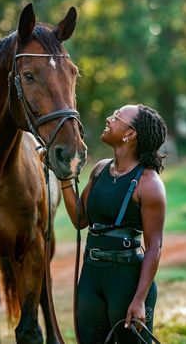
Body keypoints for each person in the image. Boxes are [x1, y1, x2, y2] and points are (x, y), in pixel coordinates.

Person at [60, 104, 167, 344]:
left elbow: (154, 247)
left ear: (130, 134)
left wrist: (139, 300)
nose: (109, 118)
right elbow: (81, 219)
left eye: (117, 116)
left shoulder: (149, 184)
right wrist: (64, 177)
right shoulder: (100, 169)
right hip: (91, 275)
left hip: (126, 281)